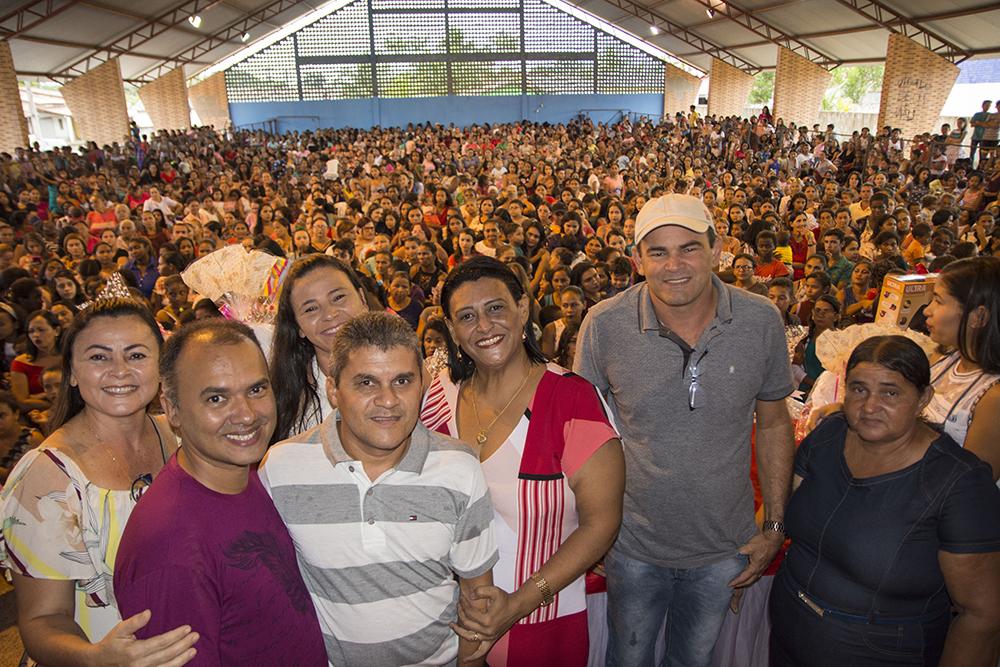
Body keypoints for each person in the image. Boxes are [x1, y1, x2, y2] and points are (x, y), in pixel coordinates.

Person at [575, 194, 795, 667]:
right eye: (657, 252)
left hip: (724, 548)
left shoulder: (760, 320)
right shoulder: (605, 324)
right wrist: (588, 528)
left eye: (689, 248)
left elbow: (775, 423)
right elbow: (584, 436)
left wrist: (775, 525)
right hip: (631, 544)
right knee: (627, 659)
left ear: (717, 249)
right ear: (637, 260)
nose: (674, 265)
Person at [261, 312, 498, 665]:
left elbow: (478, 598)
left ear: (424, 383)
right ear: (333, 390)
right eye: (367, 383)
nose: (388, 400)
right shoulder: (281, 469)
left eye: (402, 381)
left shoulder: (459, 468)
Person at [419, 257, 623, 666]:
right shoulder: (435, 399)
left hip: (540, 621)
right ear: (453, 330)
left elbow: (602, 523)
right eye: (467, 316)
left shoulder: (572, 399)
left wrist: (516, 603)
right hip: (439, 625)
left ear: (523, 309)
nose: (484, 326)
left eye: (496, 308)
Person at [769, 335, 1000, 666]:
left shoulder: (959, 482)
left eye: (890, 393)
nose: (870, 406)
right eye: (859, 389)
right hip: (788, 634)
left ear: (924, 399)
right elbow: (783, 504)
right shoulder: (830, 434)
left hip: (878, 652)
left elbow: (982, 616)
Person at [114, 319, 327, 665]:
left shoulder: (247, 475)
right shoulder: (169, 546)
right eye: (217, 398)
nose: (246, 415)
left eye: (257, 390)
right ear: (172, 410)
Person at [0, 297, 198, 665]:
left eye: (136, 355)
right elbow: (42, 620)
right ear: (72, 372)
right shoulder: (47, 477)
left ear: (161, 365)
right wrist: (97, 657)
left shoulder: (186, 439)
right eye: (99, 357)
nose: (119, 371)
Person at [270, 255, 370, 441]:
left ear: (362, 299)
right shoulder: (287, 406)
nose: (330, 315)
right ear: (298, 326)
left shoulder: (410, 375)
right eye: (311, 309)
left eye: (338, 297)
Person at [923, 256, 1000, 480]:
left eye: (938, 301)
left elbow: (970, 487)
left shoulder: (993, 397)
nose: (927, 311)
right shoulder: (942, 358)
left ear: (979, 316)